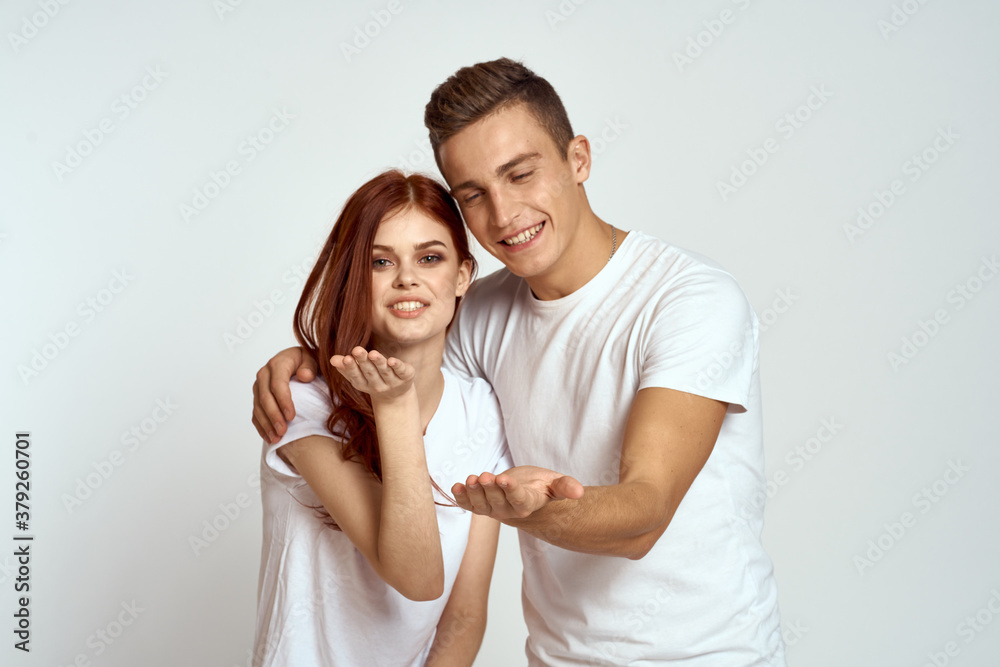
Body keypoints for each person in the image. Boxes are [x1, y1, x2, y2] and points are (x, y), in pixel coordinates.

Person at [252, 59, 785, 665]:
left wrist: (530, 509)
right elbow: (398, 346)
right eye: (473, 194)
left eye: (521, 174)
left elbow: (644, 516)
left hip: (706, 655)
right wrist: (305, 360)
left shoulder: (690, 300)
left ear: (578, 159)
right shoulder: (479, 312)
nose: (503, 216)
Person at [252, 169, 581, 666]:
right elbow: (417, 576)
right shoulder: (305, 401)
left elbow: (464, 615)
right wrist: (395, 407)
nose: (407, 278)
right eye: (381, 262)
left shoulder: (482, 412)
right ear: (354, 279)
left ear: (463, 276)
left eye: (430, 258)